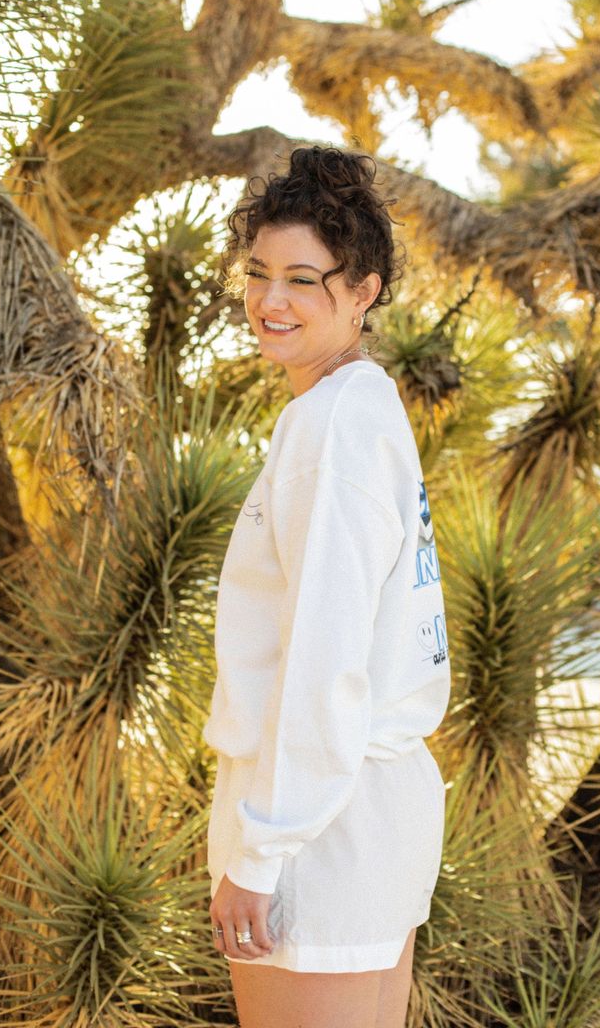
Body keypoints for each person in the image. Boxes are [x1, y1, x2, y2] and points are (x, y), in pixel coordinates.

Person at [202, 145, 450, 1028]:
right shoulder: (365, 405)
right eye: (259, 273)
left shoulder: (332, 428)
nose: (271, 301)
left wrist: (261, 852)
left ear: (365, 290)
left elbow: (325, 656)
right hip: (374, 814)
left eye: (305, 279)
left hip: (320, 830)